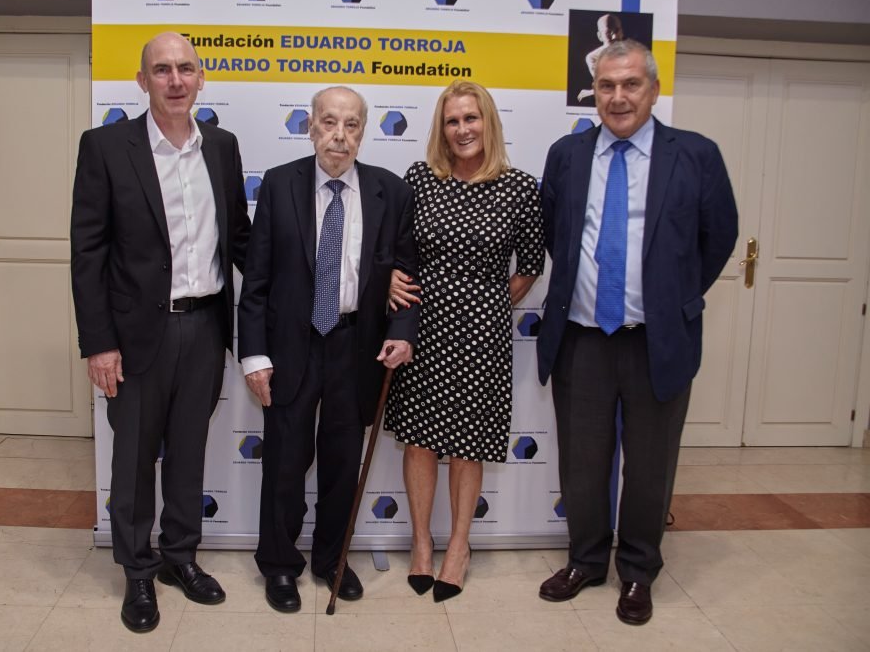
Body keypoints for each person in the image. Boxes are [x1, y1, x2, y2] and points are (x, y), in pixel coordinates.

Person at [536, 40, 738, 625]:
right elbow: (555, 232)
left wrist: (673, 297)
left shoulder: (695, 154)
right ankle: (585, 561)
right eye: (607, 85)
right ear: (593, 92)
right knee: (582, 463)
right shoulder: (567, 155)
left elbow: (719, 236)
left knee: (650, 466)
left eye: (631, 84)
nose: (618, 97)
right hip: (582, 338)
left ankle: (638, 571)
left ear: (653, 90)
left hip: (657, 340)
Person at [70, 32, 250, 633]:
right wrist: (99, 343)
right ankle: (138, 570)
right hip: (134, 336)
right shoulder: (105, 147)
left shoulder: (221, 147)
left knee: (189, 452)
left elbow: (241, 239)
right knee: (133, 459)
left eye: (186, 69)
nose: (176, 80)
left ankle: (180, 556)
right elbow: (88, 254)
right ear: (142, 80)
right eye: (163, 69)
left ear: (201, 78)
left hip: (205, 328)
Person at [237, 86, 418, 614]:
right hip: (291, 347)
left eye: (352, 124)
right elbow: (257, 279)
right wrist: (254, 355)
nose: (340, 135)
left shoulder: (390, 191)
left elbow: (405, 274)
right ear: (310, 126)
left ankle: (331, 560)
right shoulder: (280, 184)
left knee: (342, 465)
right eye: (330, 122)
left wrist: (402, 330)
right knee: (285, 464)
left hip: (355, 346)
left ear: (364, 131)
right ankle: (279, 563)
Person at [384, 80, 544, 602]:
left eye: (470, 118)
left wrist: (489, 303)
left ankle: (459, 545)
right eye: (452, 121)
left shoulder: (519, 188)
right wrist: (391, 279)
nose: (462, 129)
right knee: (420, 439)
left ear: (488, 122)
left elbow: (531, 265)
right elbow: (396, 250)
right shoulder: (420, 179)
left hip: (482, 336)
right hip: (422, 329)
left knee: (468, 443)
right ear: (441, 128)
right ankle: (421, 542)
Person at [577, 14, 624, 102]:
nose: (614, 36)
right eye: (608, 33)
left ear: (622, 32)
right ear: (600, 36)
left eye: (617, 30)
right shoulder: (593, 57)